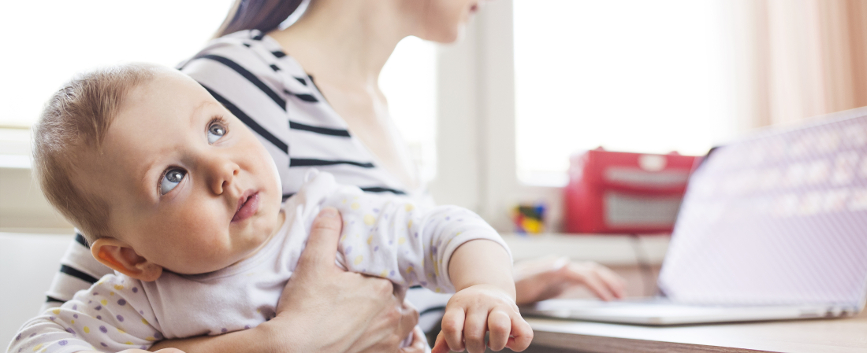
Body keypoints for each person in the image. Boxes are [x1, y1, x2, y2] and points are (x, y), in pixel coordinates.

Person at [40, 0, 626, 351]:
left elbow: (370, 289)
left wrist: (494, 284)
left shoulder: (380, 116)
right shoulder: (247, 81)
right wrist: (284, 344)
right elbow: (82, 320)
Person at [13, 65, 532, 353]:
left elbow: (446, 229)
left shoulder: (332, 221)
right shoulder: (146, 300)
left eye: (216, 129)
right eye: (173, 178)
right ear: (128, 257)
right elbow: (34, 342)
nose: (222, 171)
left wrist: (485, 288)